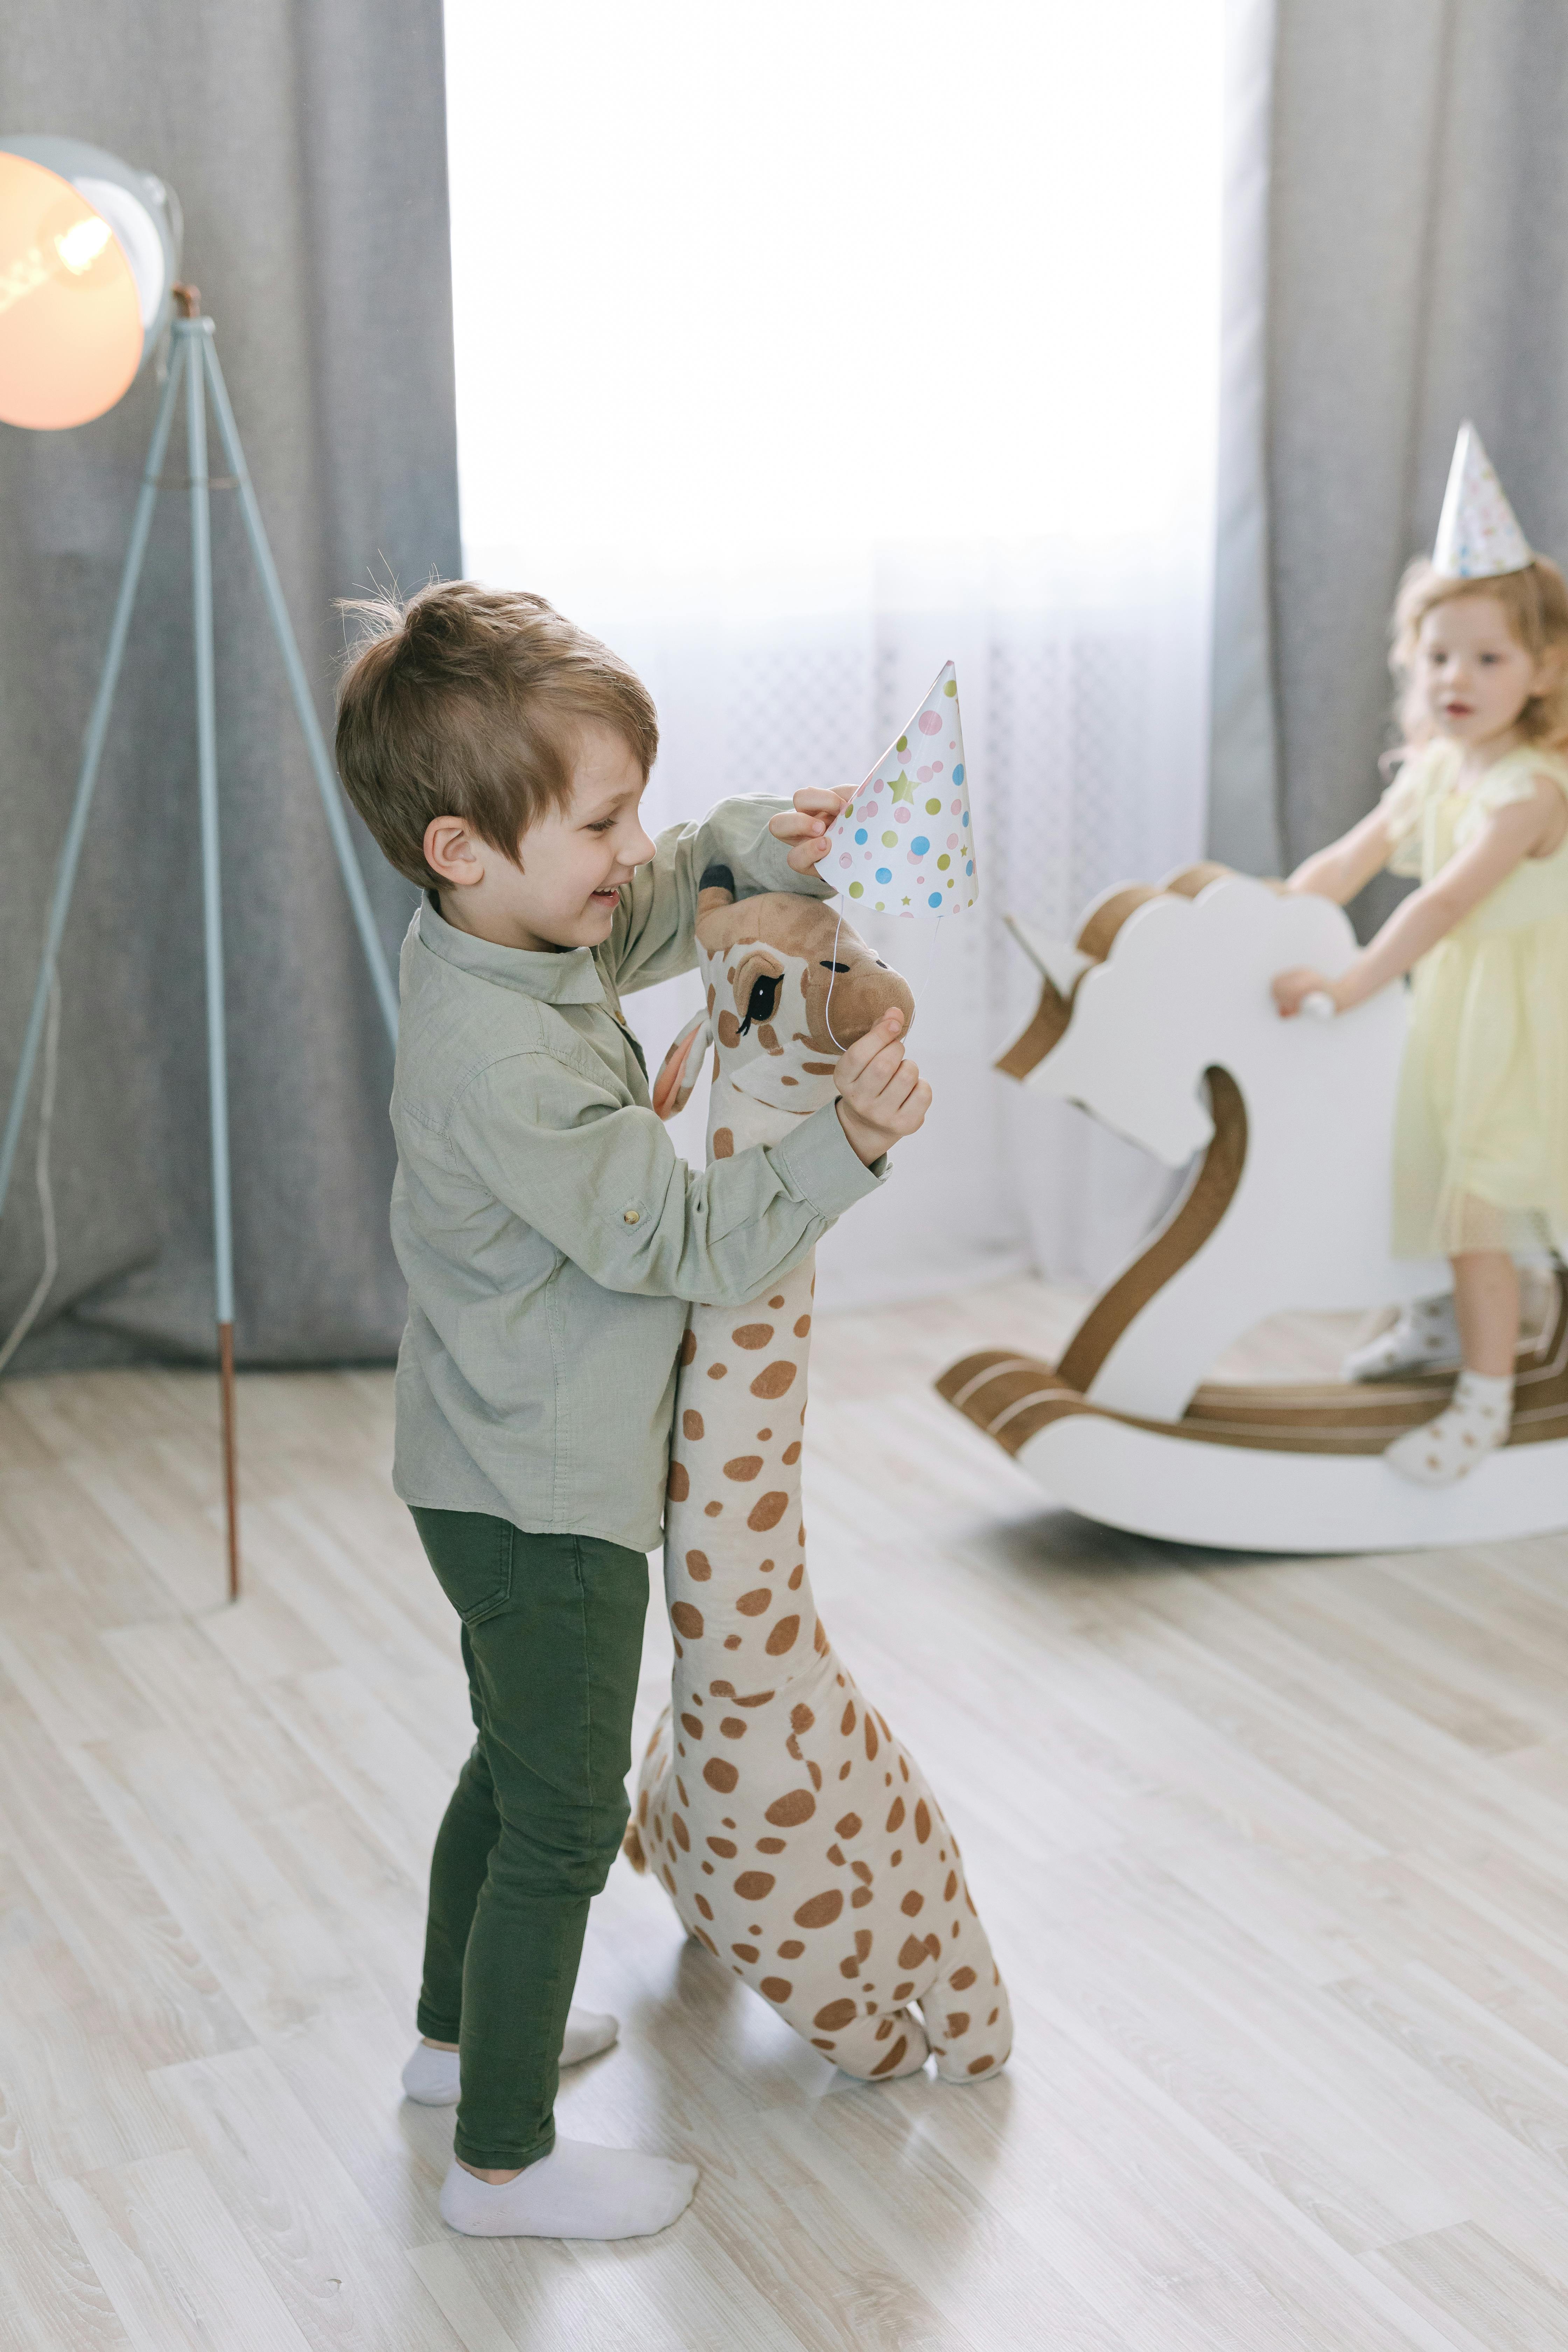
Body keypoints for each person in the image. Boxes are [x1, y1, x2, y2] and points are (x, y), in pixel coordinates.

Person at [333, 583, 930, 2237]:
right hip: (542, 1492)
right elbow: (674, 1242)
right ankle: (501, 2165)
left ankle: (457, 2052)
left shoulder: (511, 930)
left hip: (483, 1458)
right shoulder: (502, 1064)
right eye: (604, 820)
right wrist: (845, 1151)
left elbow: (657, 905)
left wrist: (760, 843)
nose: (635, 850)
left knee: (506, 1766)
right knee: (565, 1815)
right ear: (465, 847)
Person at [1272, 426, 1568, 1486]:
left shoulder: (1529, 787)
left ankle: (1484, 1404)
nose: (1459, 677)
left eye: (1489, 658)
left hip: (1527, 1018)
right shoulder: (1439, 764)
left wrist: (1351, 982)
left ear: (1543, 669)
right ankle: (1441, 1327)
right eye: (1440, 655)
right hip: (1455, 1005)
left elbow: (1444, 903)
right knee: (1423, 1164)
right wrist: (1269, 914)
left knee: (1479, 1207)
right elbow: (1357, 857)